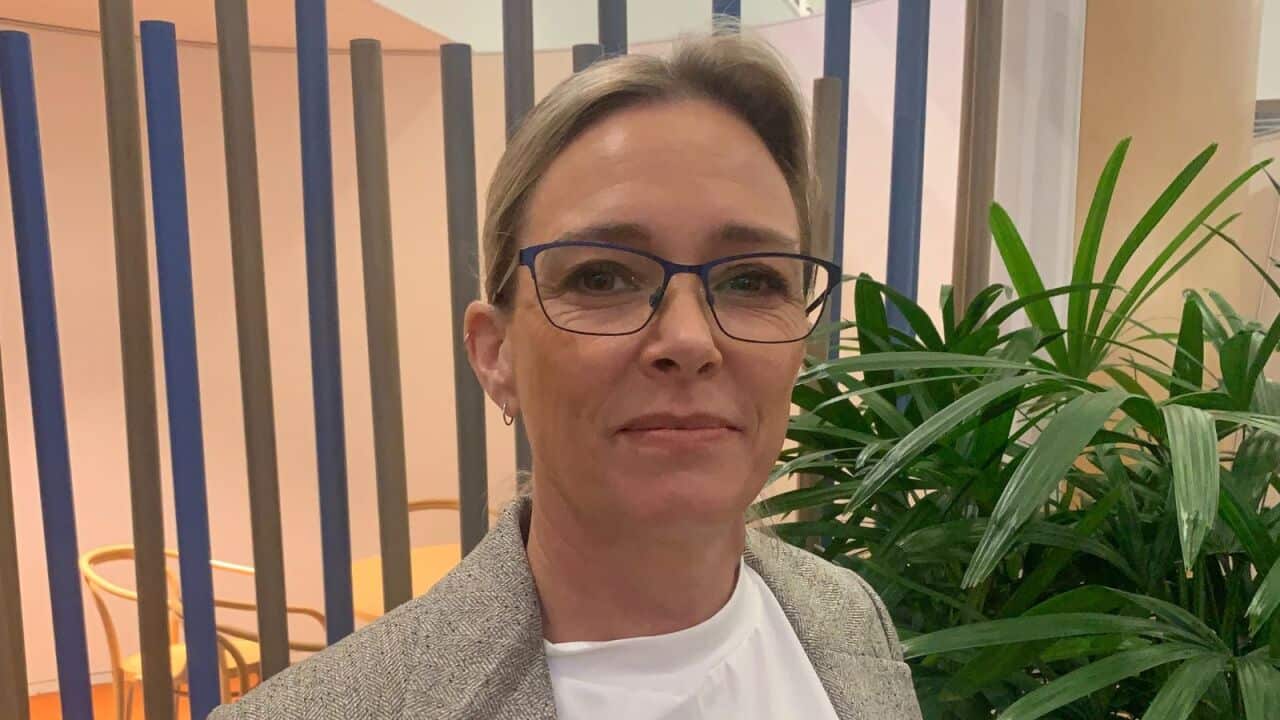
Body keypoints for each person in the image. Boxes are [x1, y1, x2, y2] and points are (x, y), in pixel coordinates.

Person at [211, 28, 922, 720]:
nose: (687, 339)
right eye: (604, 275)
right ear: (496, 355)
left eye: (752, 281)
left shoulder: (849, 620)